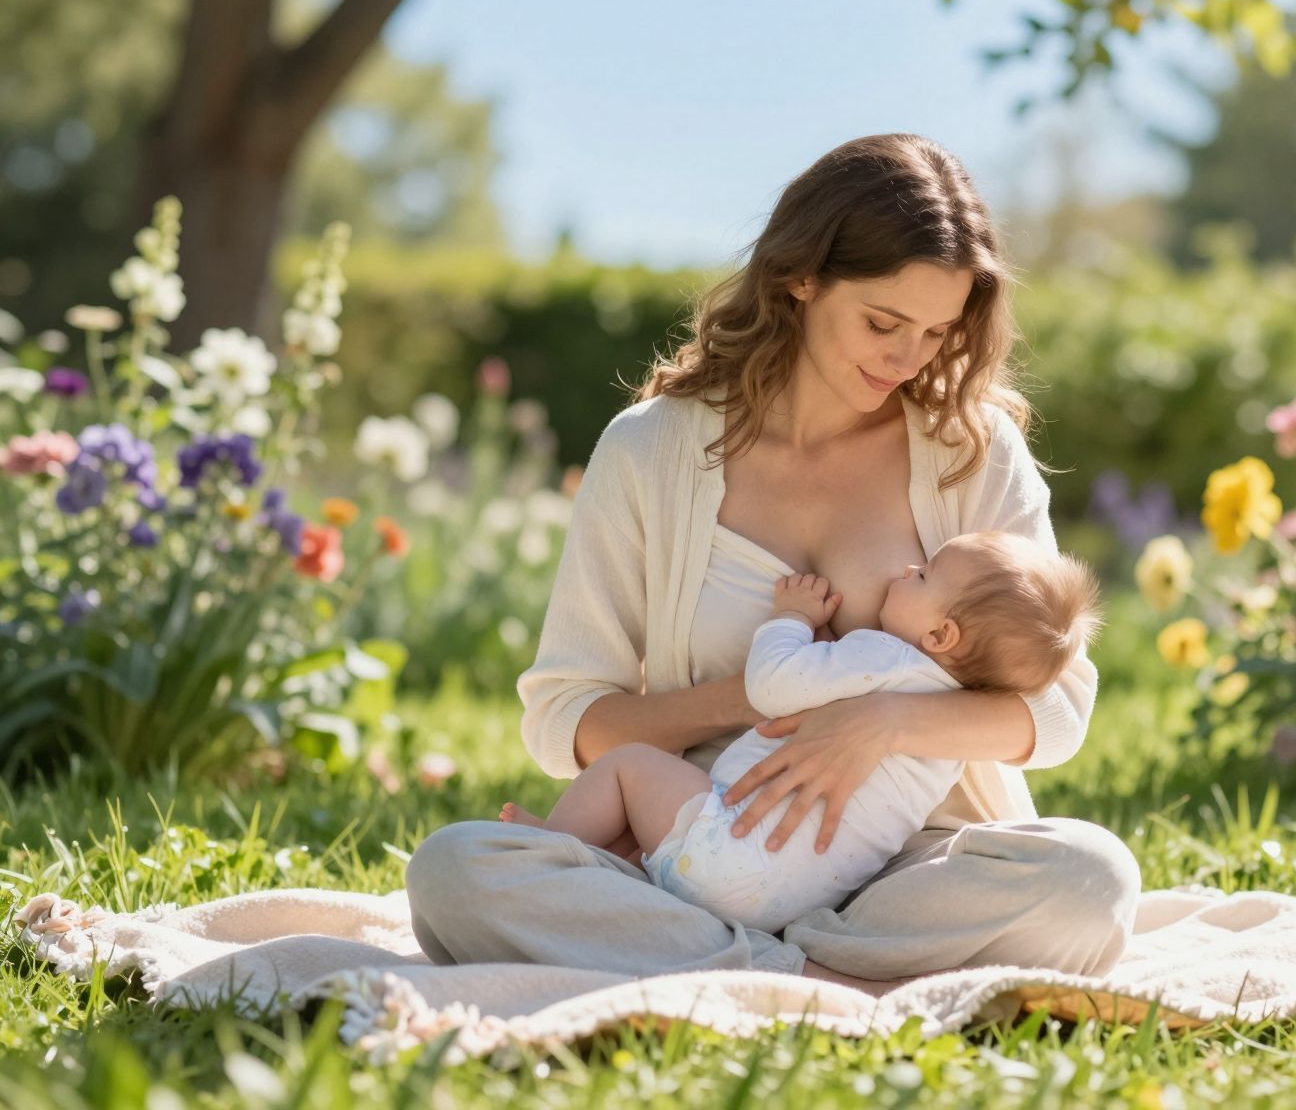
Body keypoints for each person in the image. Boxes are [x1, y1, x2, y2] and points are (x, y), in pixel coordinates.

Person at [404, 133, 1142, 994]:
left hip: (910, 867)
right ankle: (826, 981)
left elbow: (1057, 709)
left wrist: (880, 723)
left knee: (1092, 879)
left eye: (938, 332)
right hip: (698, 851)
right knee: (452, 872)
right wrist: (761, 701)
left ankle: (742, 970)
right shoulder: (651, 451)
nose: (909, 359)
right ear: (801, 278)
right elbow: (567, 719)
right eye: (883, 323)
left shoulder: (971, 451)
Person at [494, 530, 1102, 936]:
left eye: (924, 575)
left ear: (940, 636)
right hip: (797, 904)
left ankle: (550, 853)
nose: (909, 568)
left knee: (628, 769)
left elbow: (772, 686)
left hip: (725, 843)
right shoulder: (953, 738)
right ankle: (784, 960)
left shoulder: (882, 656)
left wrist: (791, 619)